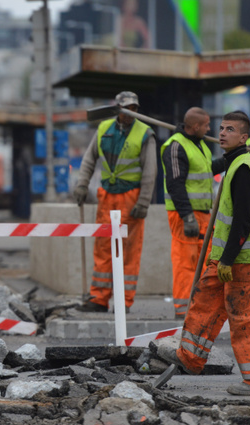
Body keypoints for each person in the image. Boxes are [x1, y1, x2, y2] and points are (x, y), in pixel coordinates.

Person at [166, 110, 250, 396]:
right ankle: (189, 358)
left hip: (246, 259)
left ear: (244, 137)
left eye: (230, 129)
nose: (222, 133)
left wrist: (227, 259)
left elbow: (243, 220)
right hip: (228, 256)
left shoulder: (243, 168)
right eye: (221, 128)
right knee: (205, 299)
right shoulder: (233, 162)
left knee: (246, 318)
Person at [73, 91, 157, 312]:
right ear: (117, 109)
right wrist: (82, 184)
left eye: (135, 108)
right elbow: (89, 159)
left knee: (129, 251)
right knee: (102, 248)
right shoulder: (103, 129)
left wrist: (143, 202)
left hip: (131, 198)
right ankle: (98, 299)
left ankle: (123, 301)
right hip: (107, 197)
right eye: (127, 108)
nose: (131, 112)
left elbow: (150, 172)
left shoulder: (145, 134)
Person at [161, 107, 224, 319]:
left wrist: (228, 159)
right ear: (196, 126)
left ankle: (199, 306)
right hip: (185, 215)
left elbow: (206, 170)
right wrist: (187, 216)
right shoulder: (176, 146)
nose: (208, 129)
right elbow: (175, 185)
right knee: (186, 262)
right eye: (206, 125)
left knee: (205, 261)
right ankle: (183, 308)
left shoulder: (199, 145)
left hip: (203, 215)